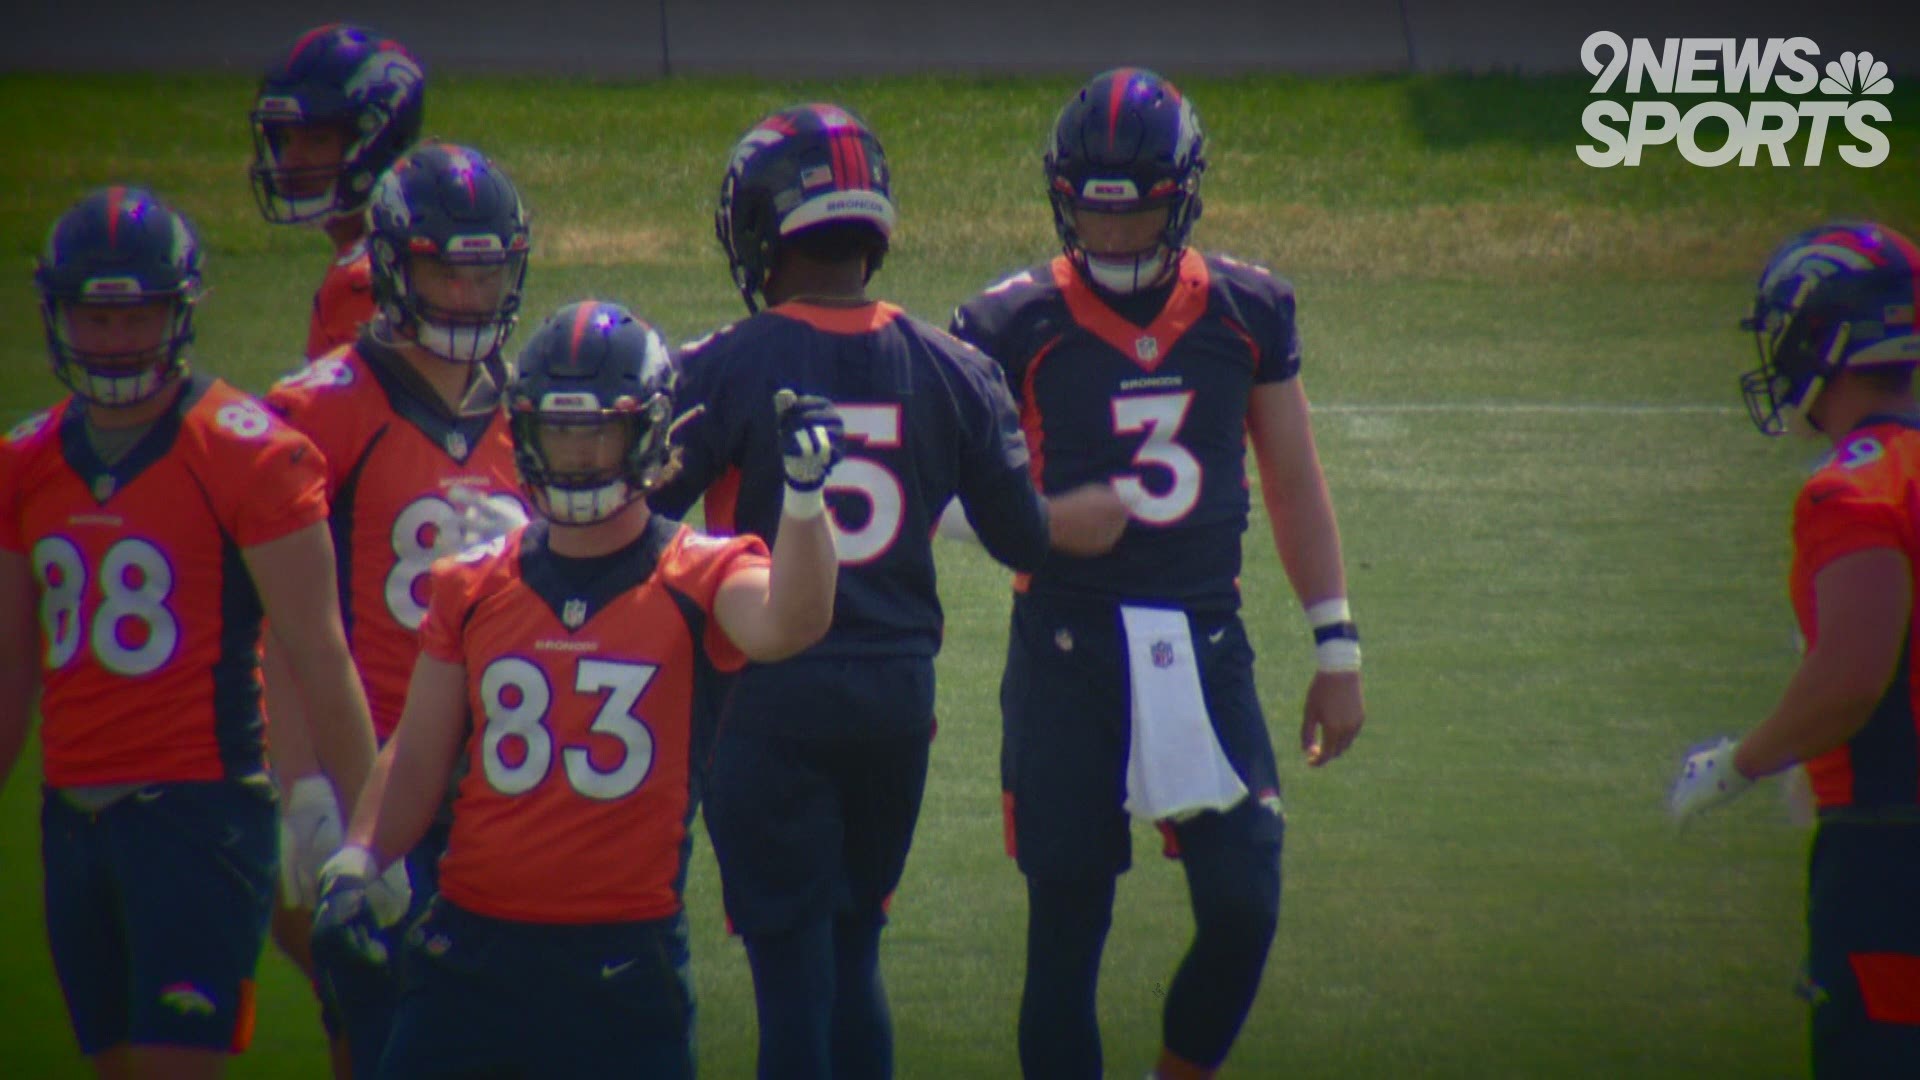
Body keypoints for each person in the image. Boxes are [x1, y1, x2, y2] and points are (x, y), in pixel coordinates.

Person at [648, 103, 1129, 1079]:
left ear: (761, 231)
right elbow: (1018, 535)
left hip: (766, 690)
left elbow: (637, 517)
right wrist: (1077, 514)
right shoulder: (952, 367)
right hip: (895, 697)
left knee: (790, 978)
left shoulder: (727, 362)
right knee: (855, 946)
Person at [948, 68, 1368, 1080]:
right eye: (1097, 214)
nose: (1115, 237)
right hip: (1066, 645)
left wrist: (1336, 641)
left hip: (1201, 637)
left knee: (1243, 905)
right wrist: (1042, 526)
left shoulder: (1247, 308)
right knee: (1068, 928)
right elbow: (936, 494)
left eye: (1135, 215)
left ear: (1179, 200)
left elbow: (1294, 478)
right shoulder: (1008, 321)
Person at [311, 299, 842, 1078]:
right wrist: (360, 858)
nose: (579, 455)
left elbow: (790, 622)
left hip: (620, 961)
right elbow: (419, 753)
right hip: (469, 949)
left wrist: (804, 498)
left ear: (651, 433)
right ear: (524, 434)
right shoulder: (473, 580)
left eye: (600, 430)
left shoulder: (699, 573)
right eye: (559, 431)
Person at [0, 185, 379, 1077]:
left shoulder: (250, 454)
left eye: (140, 315)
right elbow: (10, 674)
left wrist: (370, 840)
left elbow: (320, 655)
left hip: (199, 815)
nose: (116, 339)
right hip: (74, 818)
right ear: (58, 317)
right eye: (94, 317)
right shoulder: (24, 461)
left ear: (180, 312)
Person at [262, 140, 530, 1076]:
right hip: (371, 772)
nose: (465, 295)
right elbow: (283, 628)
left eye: (485, 270)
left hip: (505, 782)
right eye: (440, 271)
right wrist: (304, 787)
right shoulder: (315, 411)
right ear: (388, 267)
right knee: (378, 1038)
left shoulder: (541, 408)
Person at [1668, 221, 1920, 1077]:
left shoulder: (1857, 487)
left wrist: (1741, 763)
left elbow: (1851, 680)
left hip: (1893, 846)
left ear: (1826, 338)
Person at [250, 22, 425, 360]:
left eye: (317, 139)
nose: (290, 161)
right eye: (285, 139)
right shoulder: (393, 245)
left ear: (378, 141)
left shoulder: (366, 278)